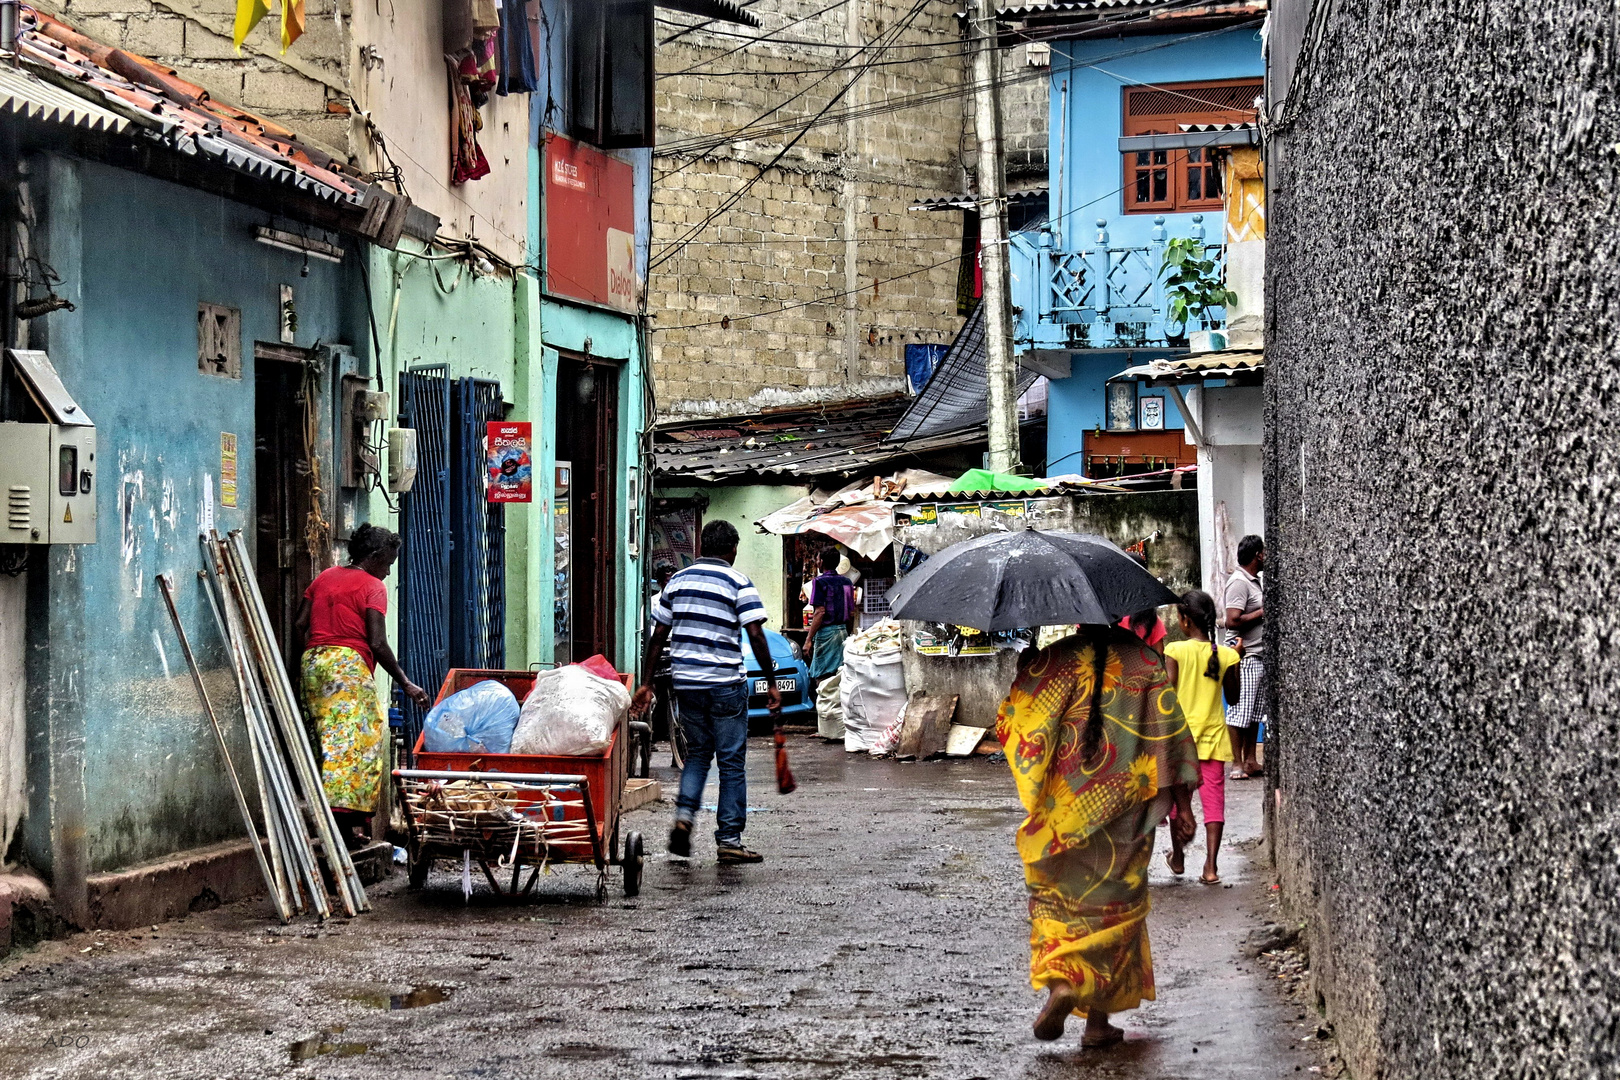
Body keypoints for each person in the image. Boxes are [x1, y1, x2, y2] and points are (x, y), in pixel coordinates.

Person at [995, 625, 1201, 1047]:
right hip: (1126, 818)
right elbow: (1171, 740)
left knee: (1059, 906)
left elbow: (1016, 723)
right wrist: (1184, 807)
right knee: (1116, 915)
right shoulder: (1145, 663)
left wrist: (1026, 669)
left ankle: (1062, 984)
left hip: (1064, 815)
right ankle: (1097, 1024)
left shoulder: (1053, 661)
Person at [645, 519, 781, 865]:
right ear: (732, 549)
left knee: (698, 755)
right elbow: (756, 634)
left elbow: (658, 636)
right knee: (732, 762)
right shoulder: (738, 582)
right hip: (725, 686)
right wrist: (770, 681)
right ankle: (730, 839)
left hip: (687, 684)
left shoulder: (676, 582)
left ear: (702, 547)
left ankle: (684, 818)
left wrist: (646, 683)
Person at [294, 524, 430, 850]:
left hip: (313, 664)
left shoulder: (324, 577)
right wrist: (406, 683)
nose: (387, 572)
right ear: (374, 556)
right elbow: (377, 642)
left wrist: (310, 661)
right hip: (348, 670)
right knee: (357, 747)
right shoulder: (372, 587)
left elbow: (300, 624)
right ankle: (342, 831)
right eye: (388, 563)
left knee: (326, 746)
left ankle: (338, 827)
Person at [1162, 590, 1242, 885]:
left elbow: (1168, 694)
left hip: (1182, 742)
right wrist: (1236, 661)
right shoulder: (1228, 655)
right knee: (1214, 804)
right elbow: (1233, 698)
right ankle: (1210, 866)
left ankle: (1178, 857)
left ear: (1184, 621)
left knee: (1176, 804)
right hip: (1213, 739)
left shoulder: (1175, 651)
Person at [1224, 534, 1267, 779]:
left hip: (1257, 654)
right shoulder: (1239, 582)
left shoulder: (1253, 581)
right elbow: (1232, 620)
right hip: (1245, 655)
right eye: (1264, 552)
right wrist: (1262, 612)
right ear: (1257, 555)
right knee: (1239, 711)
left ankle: (1251, 760)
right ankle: (1237, 763)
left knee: (1253, 714)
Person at [804, 548, 857, 680]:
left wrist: (808, 639)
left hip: (826, 634)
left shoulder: (820, 582)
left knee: (822, 676)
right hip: (843, 632)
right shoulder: (847, 582)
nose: (816, 563)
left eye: (817, 560)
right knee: (840, 675)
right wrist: (848, 634)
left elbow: (820, 612)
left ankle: (824, 700)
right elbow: (851, 613)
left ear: (821, 561)